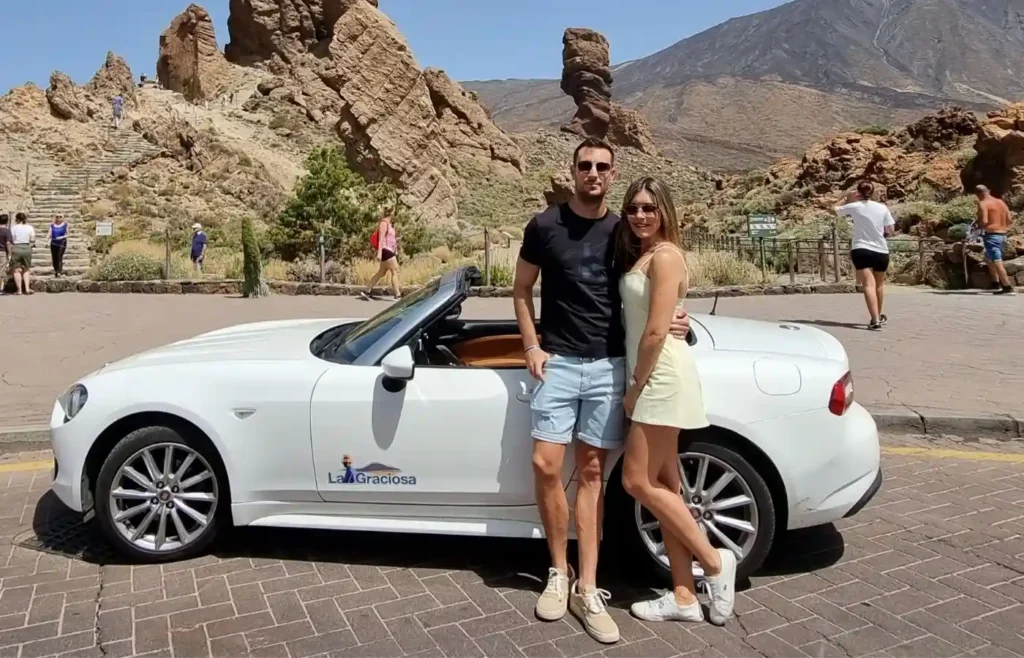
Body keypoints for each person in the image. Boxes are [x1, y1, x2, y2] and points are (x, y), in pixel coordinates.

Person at [513, 137, 691, 644]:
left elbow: (655, 287)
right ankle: (557, 571)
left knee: (592, 471)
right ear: (572, 171)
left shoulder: (625, 231)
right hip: (559, 365)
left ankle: (588, 588)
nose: (594, 173)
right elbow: (521, 289)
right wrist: (531, 345)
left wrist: (683, 320)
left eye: (603, 167)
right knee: (547, 465)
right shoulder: (544, 225)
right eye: (586, 165)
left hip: (610, 367)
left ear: (613, 175)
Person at [615, 177, 737, 626]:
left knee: (636, 482)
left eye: (649, 207)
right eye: (633, 208)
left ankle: (716, 563)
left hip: (659, 378)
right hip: (656, 374)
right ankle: (684, 597)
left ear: (665, 210)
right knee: (667, 490)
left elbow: (655, 331)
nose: (641, 215)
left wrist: (634, 389)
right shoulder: (645, 254)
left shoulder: (665, 256)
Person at [835, 181, 895, 330]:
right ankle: (878, 316)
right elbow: (891, 229)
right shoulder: (882, 208)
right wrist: (881, 234)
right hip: (881, 250)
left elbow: (833, 209)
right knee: (879, 285)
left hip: (861, 248)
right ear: (873, 192)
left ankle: (875, 320)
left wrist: (845, 198)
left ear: (858, 192)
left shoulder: (855, 206)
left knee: (868, 284)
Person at [974, 185, 1016, 295]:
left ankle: (1007, 287)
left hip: (992, 235)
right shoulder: (1001, 202)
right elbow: (1009, 220)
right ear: (988, 191)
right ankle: (995, 283)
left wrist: (977, 225)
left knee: (996, 261)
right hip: (1002, 235)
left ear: (978, 194)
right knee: (989, 259)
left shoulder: (983, 203)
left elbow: (984, 221)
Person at [361, 210, 401, 301]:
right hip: (385, 250)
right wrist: (379, 253)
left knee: (381, 273)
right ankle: (397, 295)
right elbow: (381, 238)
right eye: (394, 213)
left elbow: (391, 239)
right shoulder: (384, 223)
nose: (395, 215)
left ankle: (367, 291)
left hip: (390, 250)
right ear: (390, 213)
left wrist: (396, 249)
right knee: (395, 270)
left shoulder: (390, 225)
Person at [10, 213, 35, 295]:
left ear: (17, 219)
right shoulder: (30, 227)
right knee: (26, 268)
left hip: (16, 247)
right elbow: (33, 239)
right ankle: (27, 288)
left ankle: (19, 290)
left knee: (16, 269)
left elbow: (12, 239)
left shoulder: (14, 228)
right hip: (27, 247)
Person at [0, 214, 12, 294]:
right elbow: (8, 243)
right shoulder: (7, 231)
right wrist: (10, 254)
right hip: (2, 252)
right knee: (1, 270)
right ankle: (1, 288)